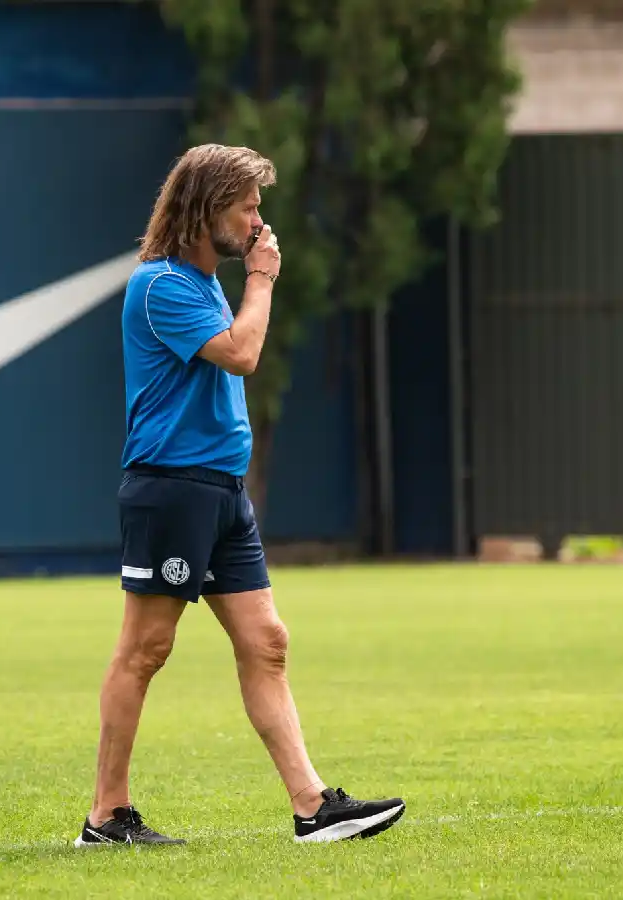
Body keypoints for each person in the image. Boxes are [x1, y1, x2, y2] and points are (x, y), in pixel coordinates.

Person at [74, 143, 405, 848]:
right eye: (246, 206)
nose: (258, 222)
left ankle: (312, 807)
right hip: (171, 490)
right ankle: (106, 817)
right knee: (146, 649)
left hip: (222, 495)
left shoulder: (201, 284)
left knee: (267, 642)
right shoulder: (159, 285)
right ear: (205, 210)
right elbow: (242, 353)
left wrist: (247, 281)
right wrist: (262, 281)